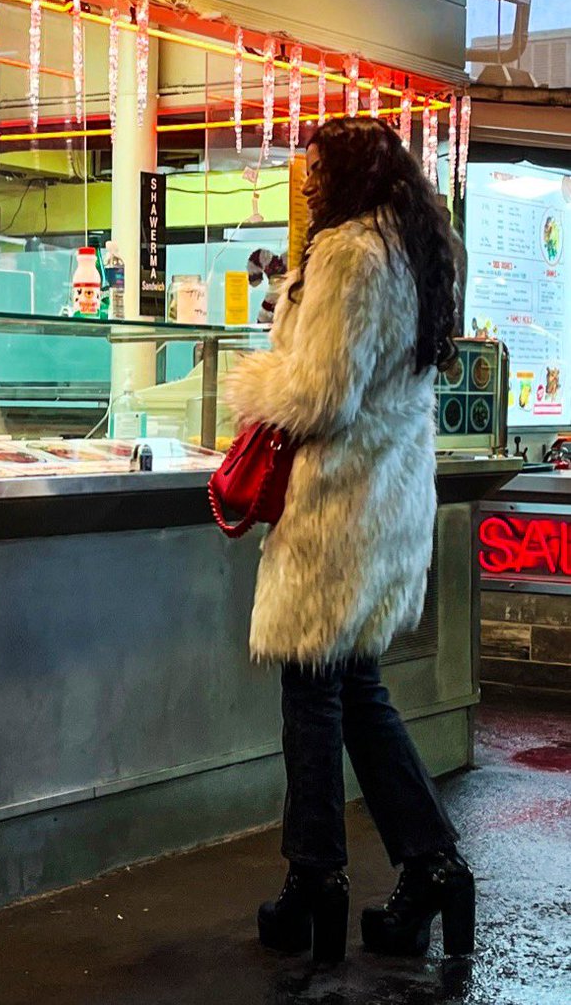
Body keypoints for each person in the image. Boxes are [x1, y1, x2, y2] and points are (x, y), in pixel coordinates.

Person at [225, 117, 474, 964]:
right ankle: (433, 864)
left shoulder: (346, 255)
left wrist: (252, 379)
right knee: (355, 690)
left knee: (314, 693)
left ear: (346, 175)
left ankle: (315, 883)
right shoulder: (412, 252)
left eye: (313, 173)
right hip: (385, 503)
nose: (306, 187)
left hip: (335, 513)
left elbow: (321, 392)